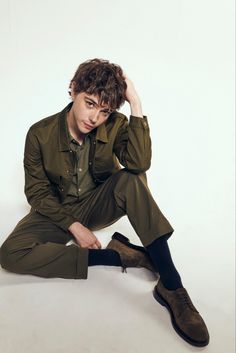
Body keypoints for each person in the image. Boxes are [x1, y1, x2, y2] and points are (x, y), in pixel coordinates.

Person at [0, 58, 209, 347]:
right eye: (89, 103)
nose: (94, 117)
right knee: (10, 253)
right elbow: (36, 192)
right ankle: (118, 256)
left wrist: (135, 103)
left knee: (131, 180)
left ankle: (172, 285)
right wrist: (73, 225)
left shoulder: (116, 123)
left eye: (104, 110)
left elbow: (139, 163)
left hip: (97, 204)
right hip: (56, 211)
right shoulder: (39, 133)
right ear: (72, 90)